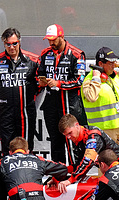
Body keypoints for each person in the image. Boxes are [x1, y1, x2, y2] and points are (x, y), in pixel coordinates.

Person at [37, 24, 86, 164]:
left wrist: (59, 83)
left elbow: (80, 80)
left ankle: (77, 174)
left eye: (54, 39)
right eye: (49, 40)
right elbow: (39, 74)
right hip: (51, 103)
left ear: (62, 36)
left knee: (73, 140)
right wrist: (40, 82)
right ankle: (59, 174)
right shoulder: (45, 53)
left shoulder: (77, 54)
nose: (51, 43)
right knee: (55, 140)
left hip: (69, 103)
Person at [0, 28, 41, 156]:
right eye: (8, 44)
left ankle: (27, 174)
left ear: (19, 42)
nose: (12, 47)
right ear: (4, 44)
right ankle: (8, 175)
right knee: (7, 145)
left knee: (26, 144)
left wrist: (27, 97)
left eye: (14, 43)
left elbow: (39, 85)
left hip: (26, 111)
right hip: (5, 111)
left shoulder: (32, 61)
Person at [56, 114, 119, 194]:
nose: (69, 137)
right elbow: (79, 164)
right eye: (66, 135)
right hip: (113, 171)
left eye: (70, 133)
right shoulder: (78, 137)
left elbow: (87, 162)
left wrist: (70, 180)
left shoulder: (93, 136)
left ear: (77, 125)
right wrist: (62, 172)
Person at [81, 47, 119, 149]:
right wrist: (96, 78)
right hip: (105, 129)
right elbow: (91, 97)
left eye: (114, 62)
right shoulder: (89, 80)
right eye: (110, 63)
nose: (113, 66)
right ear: (100, 64)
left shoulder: (114, 76)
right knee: (108, 160)